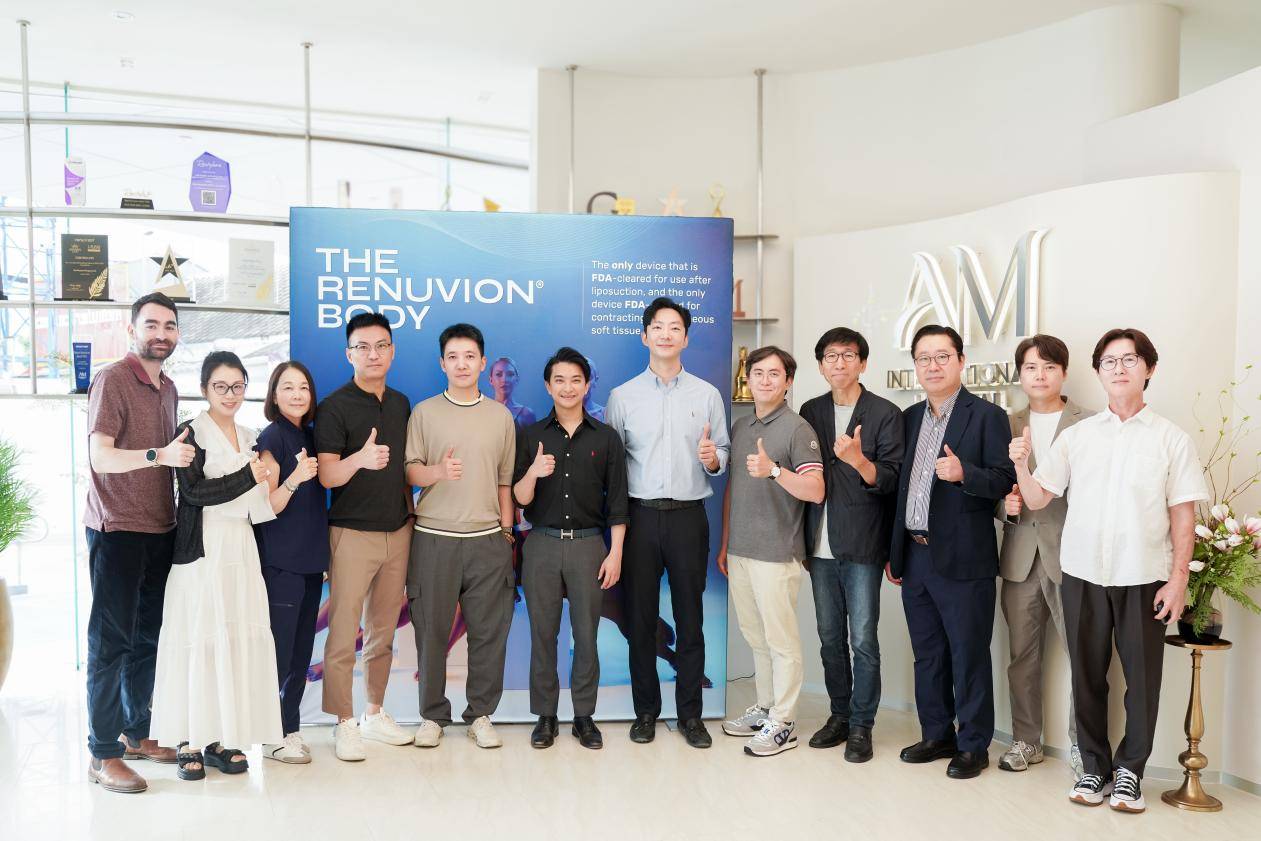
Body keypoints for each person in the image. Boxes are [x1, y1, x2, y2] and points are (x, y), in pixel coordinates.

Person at [1011, 328, 1207, 813]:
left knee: (1141, 683)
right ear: (1098, 372)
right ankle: (1094, 768)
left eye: (1129, 360)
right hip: (1081, 573)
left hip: (1144, 577)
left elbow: (1184, 516)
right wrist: (1021, 465)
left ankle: (1129, 773)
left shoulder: (1171, 439)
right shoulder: (1079, 436)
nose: (1119, 369)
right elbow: (1038, 498)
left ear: (1149, 368)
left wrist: (1178, 579)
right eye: (1109, 362)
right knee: (1087, 678)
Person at [888, 324, 1015, 780]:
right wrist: (895, 552)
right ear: (915, 366)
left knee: (968, 653)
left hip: (964, 558)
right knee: (928, 653)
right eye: (924, 358)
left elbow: (1004, 479)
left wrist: (965, 474)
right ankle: (936, 734)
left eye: (942, 356)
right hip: (915, 554)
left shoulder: (987, 416)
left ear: (961, 361)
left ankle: (973, 744)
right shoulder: (908, 418)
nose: (933, 366)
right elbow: (900, 489)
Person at [606, 296, 730, 748]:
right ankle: (646, 713)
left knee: (690, 619)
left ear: (686, 338)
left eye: (674, 327)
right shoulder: (622, 396)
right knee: (640, 620)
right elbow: (613, 468)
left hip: (688, 519)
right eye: (657, 326)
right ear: (645, 336)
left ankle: (691, 716)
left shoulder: (707, 394)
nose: (665, 334)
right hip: (639, 518)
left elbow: (723, 453)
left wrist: (713, 458)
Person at [149, 351, 279, 781]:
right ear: (205, 388)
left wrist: (277, 480)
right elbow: (193, 493)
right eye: (220, 386)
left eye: (238, 386)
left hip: (240, 546)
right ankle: (188, 740)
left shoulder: (249, 436)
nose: (230, 394)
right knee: (200, 638)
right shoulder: (190, 432)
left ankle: (220, 738)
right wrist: (248, 476)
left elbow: (257, 505)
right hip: (202, 549)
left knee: (234, 637)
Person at [84, 292, 191, 794]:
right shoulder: (112, 379)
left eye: (169, 326)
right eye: (151, 325)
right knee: (111, 645)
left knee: (147, 640)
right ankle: (102, 752)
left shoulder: (168, 387)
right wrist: (158, 455)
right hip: (117, 530)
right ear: (133, 330)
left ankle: (135, 733)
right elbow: (101, 457)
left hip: (160, 528)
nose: (161, 334)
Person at [405, 323, 517, 749]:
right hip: (434, 536)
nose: (462, 364)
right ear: (442, 363)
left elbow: (505, 481)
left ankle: (481, 715)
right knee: (432, 631)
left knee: (488, 633)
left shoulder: (500, 417)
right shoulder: (424, 412)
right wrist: (437, 471)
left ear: (483, 362)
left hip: (487, 538)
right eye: (453, 357)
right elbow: (411, 471)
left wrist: (506, 533)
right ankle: (432, 715)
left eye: (470, 356)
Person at [512, 347, 629, 750]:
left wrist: (615, 553)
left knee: (586, 635)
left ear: (587, 385)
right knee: (543, 635)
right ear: (548, 386)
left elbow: (618, 503)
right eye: (559, 380)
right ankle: (545, 716)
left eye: (575, 380)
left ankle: (584, 717)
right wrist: (533, 471)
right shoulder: (532, 436)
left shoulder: (606, 438)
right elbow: (520, 498)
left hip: (588, 546)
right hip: (541, 544)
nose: (567, 387)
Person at [798, 327, 903, 763]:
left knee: (862, 640)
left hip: (862, 543)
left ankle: (862, 726)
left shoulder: (884, 413)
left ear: (863, 363)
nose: (839, 363)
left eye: (848, 355)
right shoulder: (811, 410)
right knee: (828, 638)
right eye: (830, 356)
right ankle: (839, 715)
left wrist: (859, 461)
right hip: (818, 544)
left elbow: (891, 479)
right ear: (821, 365)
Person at [315, 312, 415, 761]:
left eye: (381, 346)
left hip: (398, 531)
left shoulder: (401, 403)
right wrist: (359, 459)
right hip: (352, 534)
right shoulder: (334, 407)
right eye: (363, 347)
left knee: (383, 632)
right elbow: (327, 476)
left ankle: (374, 713)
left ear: (392, 351)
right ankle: (343, 722)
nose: (373, 354)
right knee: (342, 634)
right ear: (349, 354)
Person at [716, 347, 823, 757]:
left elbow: (816, 490)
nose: (764, 380)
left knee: (781, 642)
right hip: (741, 550)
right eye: (757, 372)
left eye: (774, 374)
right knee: (755, 637)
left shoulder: (798, 428)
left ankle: (784, 722)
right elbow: (734, 489)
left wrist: (775, 471)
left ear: (788, 381)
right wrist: (727, 541)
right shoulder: (742, 426)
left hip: (778, 553)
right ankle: (765, 708)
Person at [996, 335, 1090, 779]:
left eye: (1050, 367)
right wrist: (1004, 507)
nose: (1040, 375)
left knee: (1083, 657)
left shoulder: (1090, 423)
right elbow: (992, 485)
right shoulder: (1004, 423)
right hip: (1019, 555)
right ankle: (1026, 741)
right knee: (1022, 656)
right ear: (1020, 374)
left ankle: (1084, 746)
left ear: (1064, 373)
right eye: (1031, 367)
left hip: (1074, 557)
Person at [254, 361, 327, 764]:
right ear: (274, 394)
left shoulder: (309, 435)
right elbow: (268, 505)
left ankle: (290, 729)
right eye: (288, 387)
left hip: (310, 563)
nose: (297, 394)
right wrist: (296, 477)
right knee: (280, 654)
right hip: (282, 564)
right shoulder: (272, 438)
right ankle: (271, 736)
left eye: (303, 387)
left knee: (300, 654)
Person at [489, 356, 538, 428]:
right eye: (498, 374)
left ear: (517, 379)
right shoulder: (483, 412)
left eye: (510, 374)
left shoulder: (526, 415)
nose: (504, 380)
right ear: (491, 380)